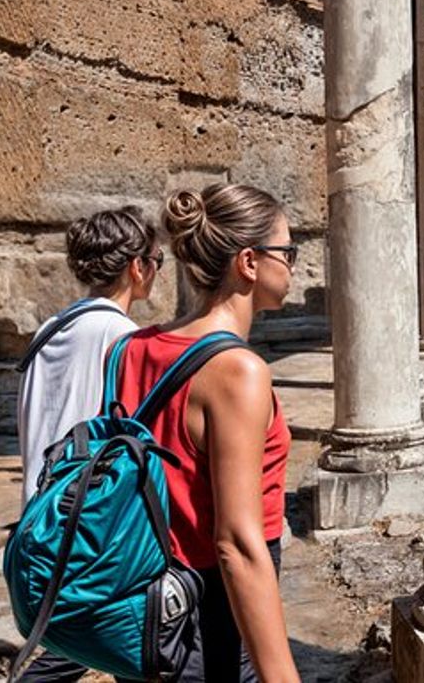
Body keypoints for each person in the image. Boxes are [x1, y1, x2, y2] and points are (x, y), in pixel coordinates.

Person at [113, 184, 299, 682]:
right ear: (249, 262)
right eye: (287, 251)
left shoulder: (133, 348)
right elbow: (236, 544)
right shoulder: (239, 371)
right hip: (208, 619)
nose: (293, 265)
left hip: (145, 607)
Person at [17, 206, 162, 504]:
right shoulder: (120, 334)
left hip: (37, 510)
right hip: (81, 516)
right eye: (157, 260)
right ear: (137, 266)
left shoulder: (51, 326)